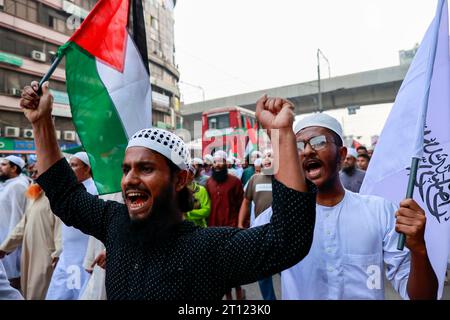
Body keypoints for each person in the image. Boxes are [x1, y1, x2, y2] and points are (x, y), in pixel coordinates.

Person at [20, 82, 316, 300]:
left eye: (145, 169)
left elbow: (287, 238)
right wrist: (42, 122)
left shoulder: (209, 248)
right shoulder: (116, 223)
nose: (130, 180)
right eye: (126, 169)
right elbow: (65, 195)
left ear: (180, 179)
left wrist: (280, 134)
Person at [281, 113, 438, 300]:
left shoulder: (379, 212)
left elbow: (422, 297)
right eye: (299, 146)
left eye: (319, 142)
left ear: (341, 155)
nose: (307, 151)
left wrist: (419, 250)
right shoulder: (279, 218)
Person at [0, 165, 62, 300]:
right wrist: (4, 248)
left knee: (41, 292)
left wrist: (57, 254)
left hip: (46, 256)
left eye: (36, 172)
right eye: (32, 172)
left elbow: (60, 229)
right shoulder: (36, 193)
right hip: (30, 254)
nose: (33, 176)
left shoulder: (58, 196)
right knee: (28, 290)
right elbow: (23, 225)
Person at [45, 152, 98, 300]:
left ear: (87, 169)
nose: (70, 169)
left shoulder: (95, 190)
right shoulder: (71, 190)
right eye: (69, 165)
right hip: (67, 255)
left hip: (84, 257)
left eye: (74, 165)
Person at [238, 149, 276, 300]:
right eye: (265, 156)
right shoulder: (254, 179)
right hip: (260, 232)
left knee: (286, 271)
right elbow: (246, 202)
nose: (266, 158)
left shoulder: (285, 179)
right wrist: (241, 223)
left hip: (280, 231)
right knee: (262, 273)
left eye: (271, 156)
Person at [206, 150, 245, 299]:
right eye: (215, 162)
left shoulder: (235, 181)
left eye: (220, 161)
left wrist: (242, 225)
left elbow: (242, 203)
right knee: (221, 266)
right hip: (214, 230)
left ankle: (239, 294)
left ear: (225, 163)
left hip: (232, 228)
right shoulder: (209, 182)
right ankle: (228, 296)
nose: (217, 164)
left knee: (235, 264)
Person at [0, 155, 30, 289]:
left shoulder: (18, 185)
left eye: (4, 164)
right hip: (5, 240)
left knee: (12, 280)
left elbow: (18, 218)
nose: (0, 167)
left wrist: (10, 245)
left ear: (14, 168)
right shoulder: (10, 184)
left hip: (10, 244)